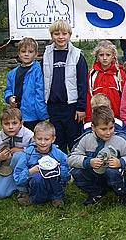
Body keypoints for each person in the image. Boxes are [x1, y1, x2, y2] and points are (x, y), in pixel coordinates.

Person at [68, 106, 126, 206]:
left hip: (114, 174)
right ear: (93, 127)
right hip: (95, 174)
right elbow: (71, 158)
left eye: (111, 128)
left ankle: (123, 194)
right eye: (103, 129)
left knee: (112, 172)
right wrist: (88, 162)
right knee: (76, 172)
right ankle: (96, 193)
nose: (108, 132)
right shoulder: (86, 139)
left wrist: (121, 162)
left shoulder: (121, 140)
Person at [42, 19, 88, 153]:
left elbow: (82, 83)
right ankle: (61, 169)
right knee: (57, 140)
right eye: (56, 34)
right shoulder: (47, 54)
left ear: (70, 35)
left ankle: (75, 170)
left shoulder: (77, 55)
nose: (61, 37)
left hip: (72, 107)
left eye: (64, 34)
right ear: (52, 36)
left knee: (74, 139)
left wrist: (81, 107)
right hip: (53, 106)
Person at [14, 122, 69, 207]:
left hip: (53, 183)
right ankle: (30, 196)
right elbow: (18, 177)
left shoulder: (58, 154)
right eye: (39, 139)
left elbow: (68, 172)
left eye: (46, 139)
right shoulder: (28, 154)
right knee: (37, 178)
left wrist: (59, 170)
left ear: (53, 139)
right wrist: (30, 171)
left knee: (53, 175)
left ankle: (56, 197)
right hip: (34, 183)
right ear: (34, 138)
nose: (43, 142)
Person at [0, 108, 33, 200]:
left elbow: (39, 152)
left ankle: (24, 186)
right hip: (7, 169)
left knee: (18, 156)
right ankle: (13, 183)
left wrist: (23, 150)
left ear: (21, 123)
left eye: (14, 123)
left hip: (26, 170)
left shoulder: (30, 136)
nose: (10, 127)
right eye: (6, 124)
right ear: (1, 124)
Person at [4, 37, 48, 131]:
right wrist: (10, 97)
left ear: (36, 54)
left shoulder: (39, 71)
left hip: (33, 115)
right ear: (19, 54)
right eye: (23, 51)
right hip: (16, 113)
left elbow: (40, 93)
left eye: (30, 52)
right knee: (18, 138)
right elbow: (8, 89)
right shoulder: (12, 73)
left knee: (33, 139)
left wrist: (42, 114)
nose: (26, 54)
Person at [85, 40, 126, 122]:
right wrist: (89, 118)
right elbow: (88, 96)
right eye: (101, 55)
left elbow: (125, 97)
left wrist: (124, 117)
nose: (104, 58)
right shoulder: (92, 74)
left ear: (113, 56)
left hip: (116, 116)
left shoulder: (119, 73)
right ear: (97, 56)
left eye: (108, 55)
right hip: (96, 117)